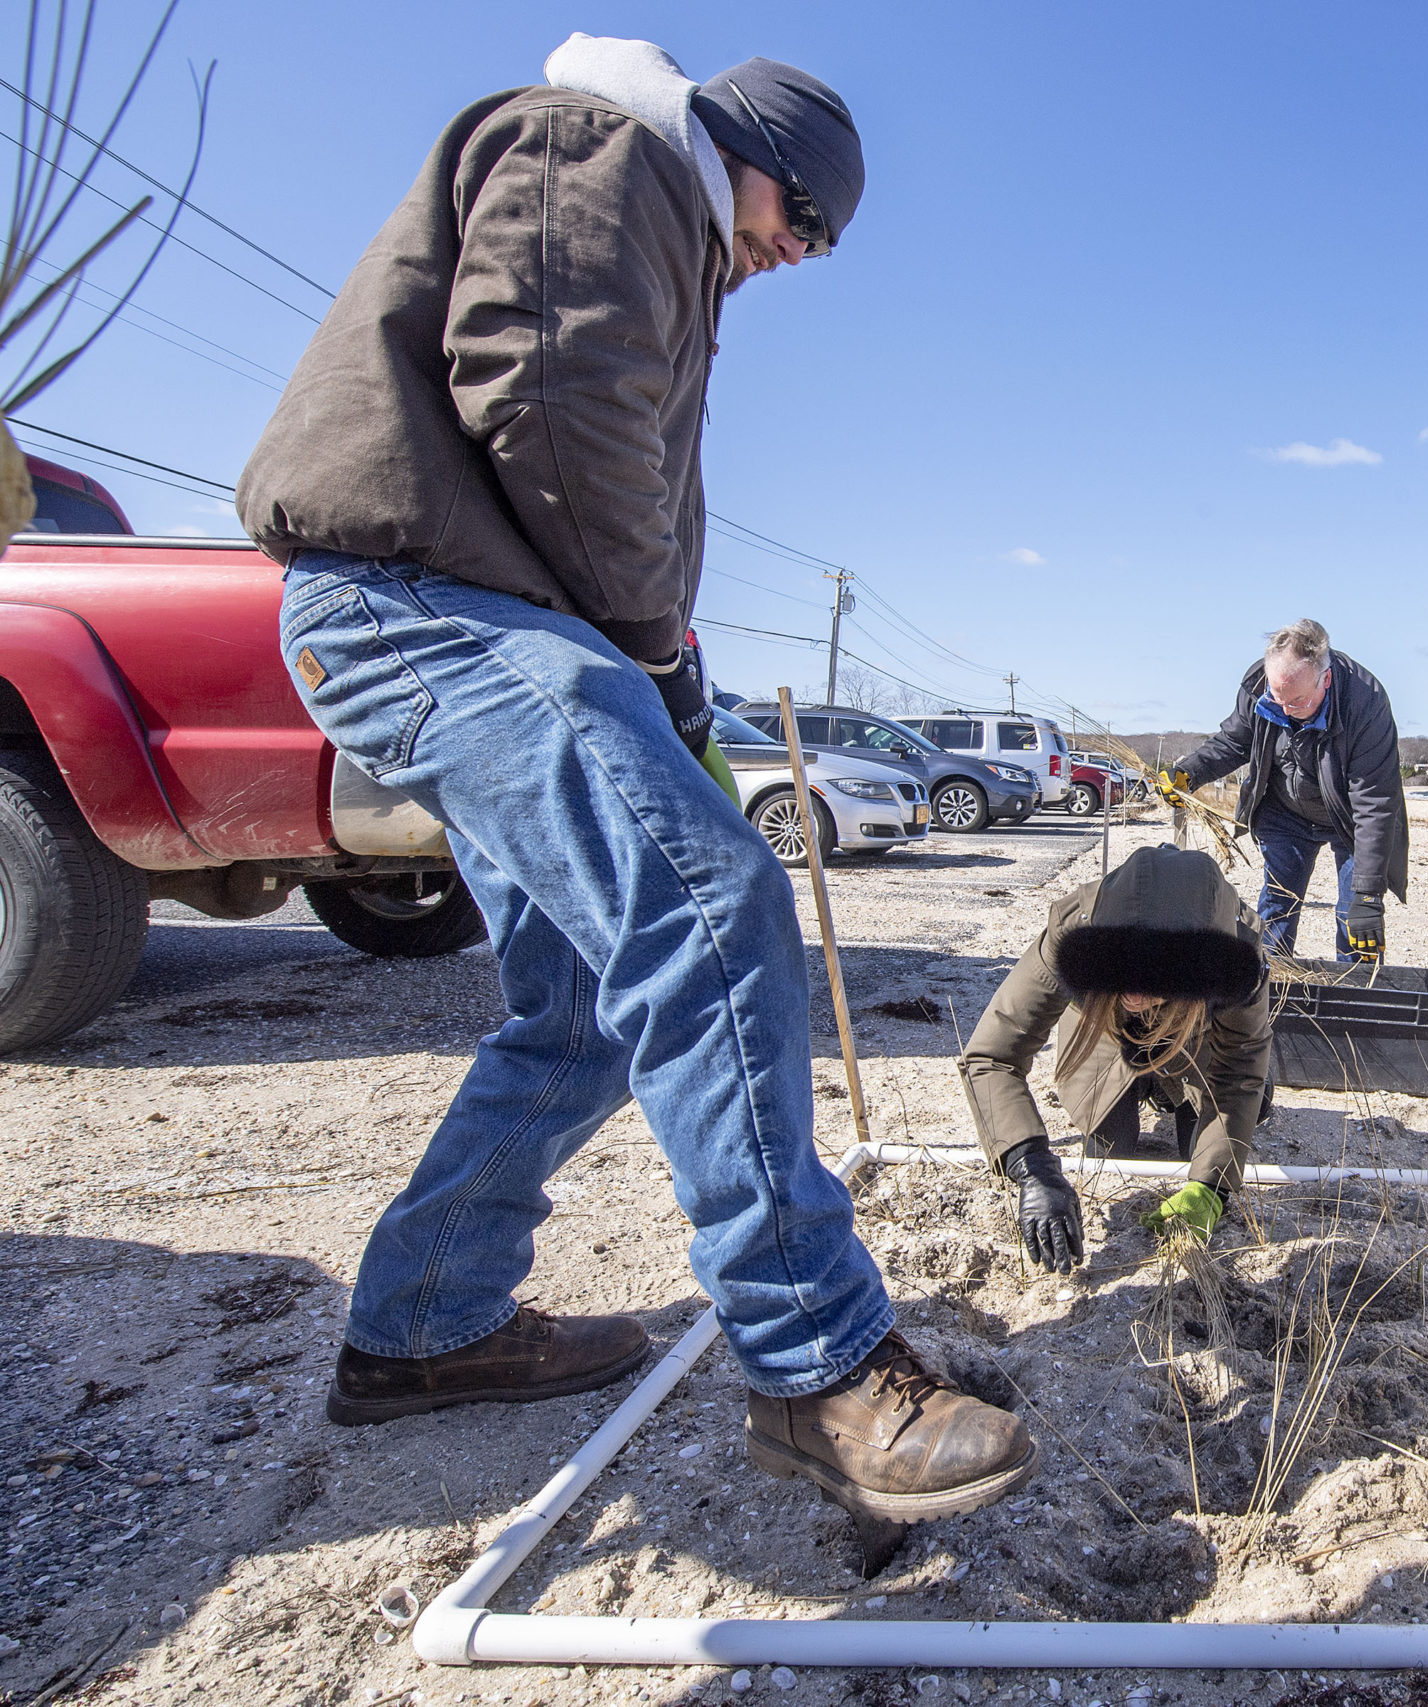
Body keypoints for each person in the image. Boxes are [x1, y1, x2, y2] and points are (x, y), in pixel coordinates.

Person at [236, 36, 1035, 1527]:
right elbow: (555, 409)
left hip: (473, 615)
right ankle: (819, 1366)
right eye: (800, 217)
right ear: (744, 151)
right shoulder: (609, 151)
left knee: (590, 1006)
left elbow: (605, 459)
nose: (795, 252)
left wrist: (659, 667)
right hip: (424, 607)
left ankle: (425, 1324)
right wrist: (656, 650)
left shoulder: (661, 212)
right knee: (712, 898)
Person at [959, 845, 1272, 1268]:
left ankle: (1173, 1094)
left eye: (1155, 978)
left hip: (1195, 1036)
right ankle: (1129, 1084)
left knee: (1198, 1152)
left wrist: (1211, 1187)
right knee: (1111, 1148)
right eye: (1121, 971)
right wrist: (1029, 1164)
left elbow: (1240, 1068)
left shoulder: (1235, 957)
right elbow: (992, 1055)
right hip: (1103, 1031)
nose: (1137, 993)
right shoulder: (1075, 929)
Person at [1165, 619, 1408, 962]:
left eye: (1296, 701)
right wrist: (1189, 773)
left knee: (1352, 914)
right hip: (1285, 813)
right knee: (1277, 906)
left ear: (1325, 679)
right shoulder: (1260, 687)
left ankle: (1354, 994)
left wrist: (1368, 894)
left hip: (1351, 820)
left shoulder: (1365, 703)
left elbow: (1374, 802)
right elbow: (1235, 741)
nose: (1283, 709)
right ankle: (1265, 992)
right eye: (1276, 699)